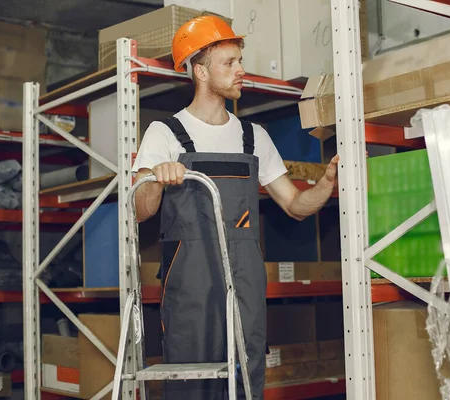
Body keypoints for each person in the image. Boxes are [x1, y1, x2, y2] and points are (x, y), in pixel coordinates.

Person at [131, 15, 338, 400]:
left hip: (245, 278)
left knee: (246, 377)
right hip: (190, 280)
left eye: (240, 60)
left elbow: (294, 205)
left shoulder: (252, 136)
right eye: (230, 63)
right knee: (191, 381)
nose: (241, 70)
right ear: (201, 72)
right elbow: (140, 211)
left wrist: (325, 184)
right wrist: (157, 179)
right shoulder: (165, 133)